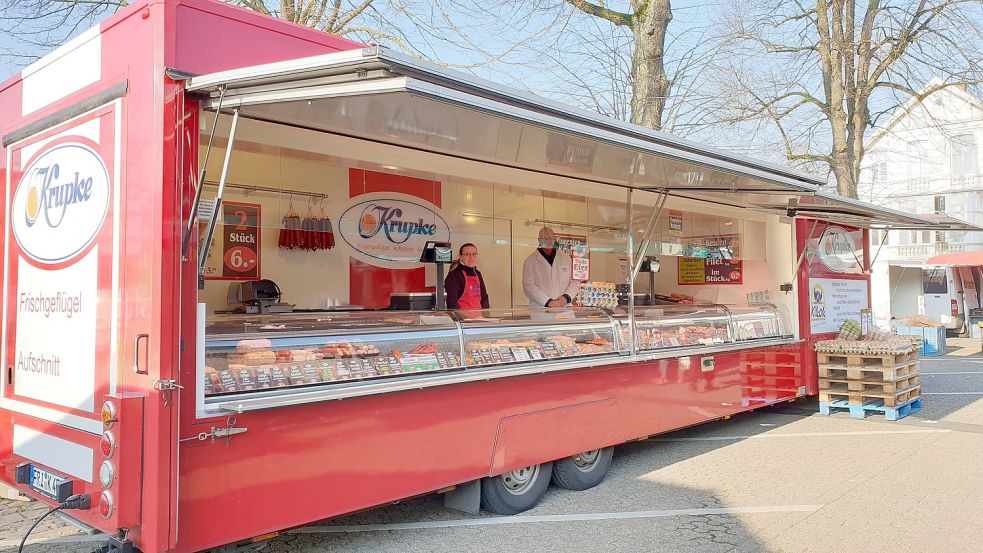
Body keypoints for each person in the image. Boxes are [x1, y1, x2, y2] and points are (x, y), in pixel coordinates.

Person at [522, 227, 580, 307]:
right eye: (544, 238)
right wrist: (548, 302)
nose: (548, 241)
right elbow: (528, 286)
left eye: (550, 238)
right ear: (539, 240)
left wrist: (564, 299)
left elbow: (575, 282)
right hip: (541, 311)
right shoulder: (530, 261)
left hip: (564, 309)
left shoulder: (566, 258)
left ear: (554, 239)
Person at [444, 243, 490, 310]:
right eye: (467, 254)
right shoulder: (454, 275)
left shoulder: (477, 273)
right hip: (463, 319)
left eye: (474, 254)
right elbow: (452, 302)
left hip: (479, 318)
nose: (471, 257)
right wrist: (460, 319)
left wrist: (485, 316)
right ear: (460, 256)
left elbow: (484, 298)